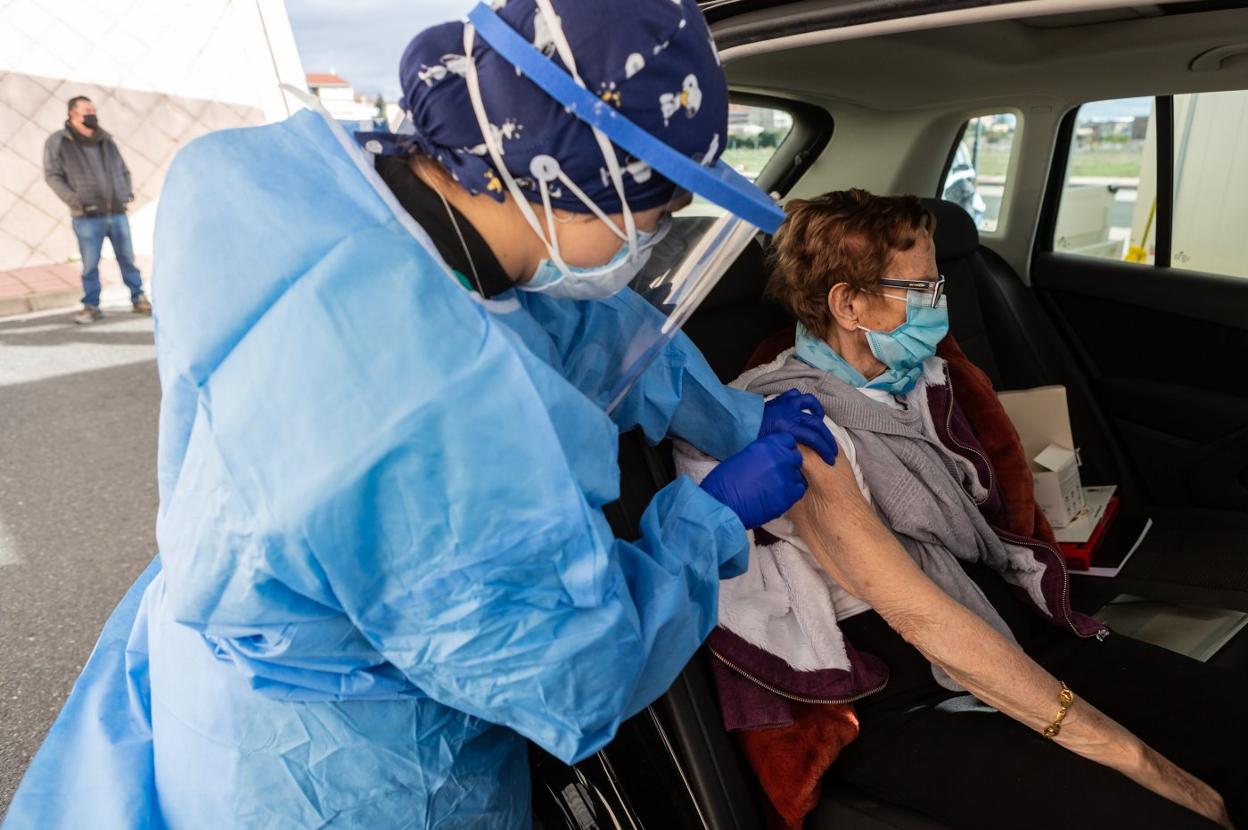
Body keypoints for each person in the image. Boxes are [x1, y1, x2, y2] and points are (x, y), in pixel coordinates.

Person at [4, 2, 839, 828]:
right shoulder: (440, 422)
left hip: (212, 660)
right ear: (565, 182)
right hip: (344, 766)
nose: (651, 242)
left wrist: (726, 414)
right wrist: (710, 521)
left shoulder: (285, 189)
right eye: (654, 217)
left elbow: (585, 328)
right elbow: (575, 670)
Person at [681, 189, 1247, 829]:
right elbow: (920, 617)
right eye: (919, 290)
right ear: (848, 303)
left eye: (938, 284)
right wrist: (1141, 761)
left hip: (995, 618)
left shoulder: (918, 379)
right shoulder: (798, 424)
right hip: (898, 683)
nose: (939, 305)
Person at [42, 96, 150, 323]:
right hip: (87, 216)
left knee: (127, 258)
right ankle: (91, 306)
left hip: (116, 212)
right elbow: (52, 175)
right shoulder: (60, 141)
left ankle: (138, 297)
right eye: (86, 110)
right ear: (73, 114)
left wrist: (124, 194)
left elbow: (123, 170)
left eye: (93, 109)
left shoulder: (106, 140)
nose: (92, 114)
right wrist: (75, 201)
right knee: (90, 263)